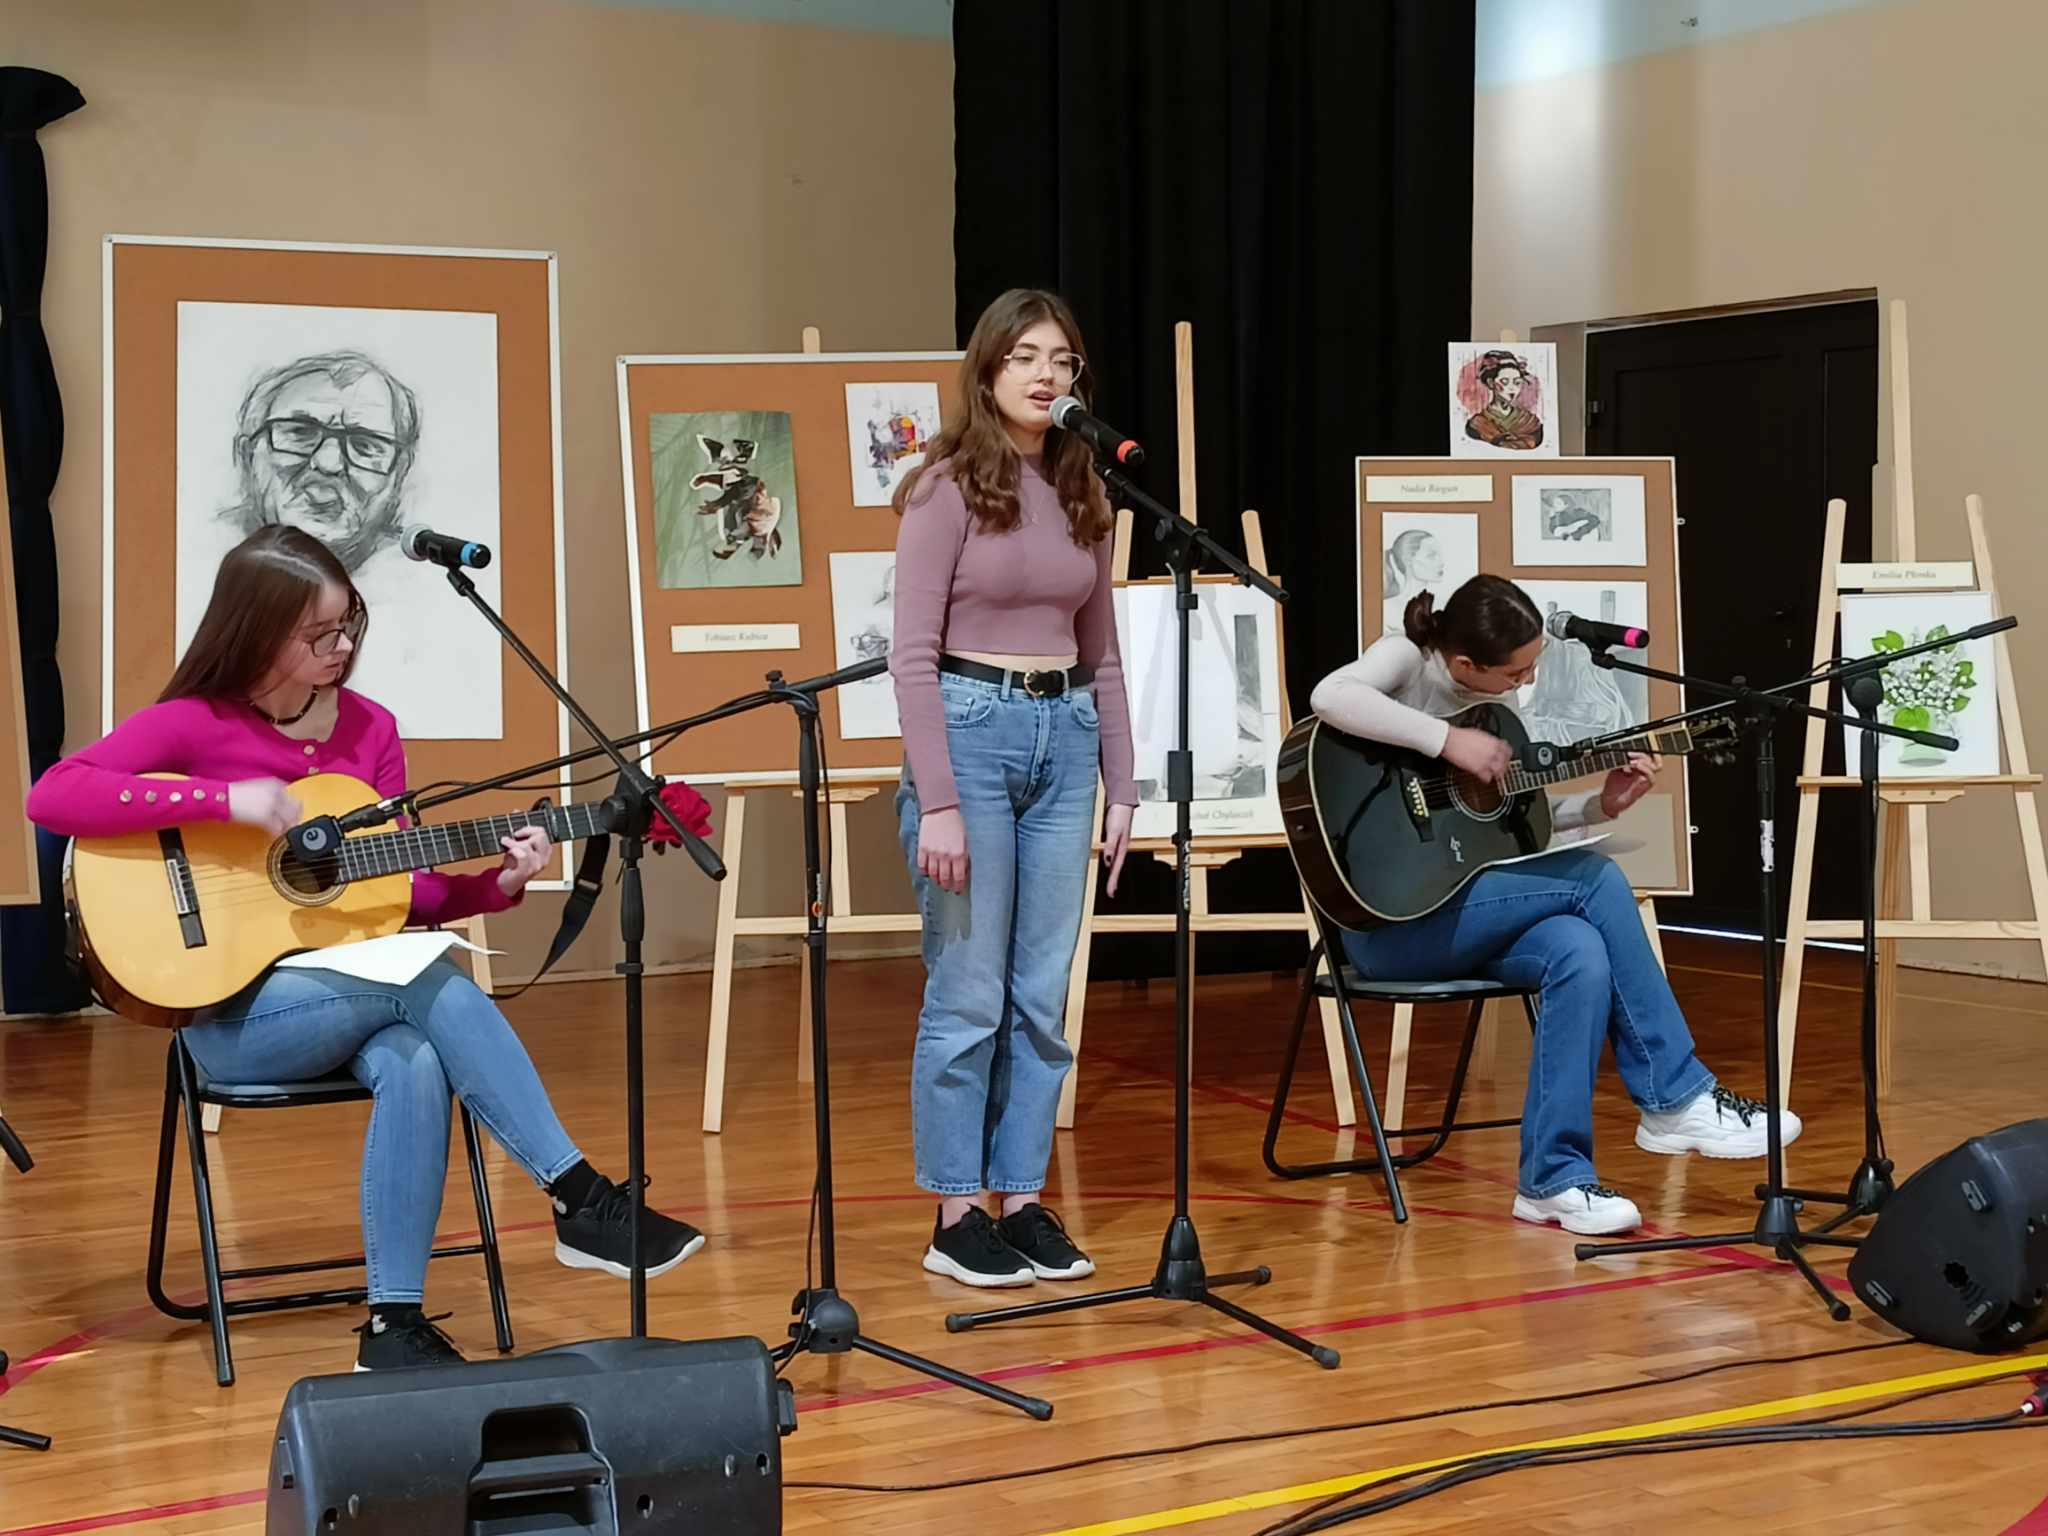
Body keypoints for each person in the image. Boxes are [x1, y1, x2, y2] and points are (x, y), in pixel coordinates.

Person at [27, 527, 705, 1369]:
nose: (342, 647)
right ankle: (578, 1197)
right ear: (257, 630)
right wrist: (224, 802)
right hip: (231, 1017)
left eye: (348, 624)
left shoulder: (371, 732)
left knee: (414, 1054)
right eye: (319, 633)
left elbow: (399, 891)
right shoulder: (194, 723)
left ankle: (393, 1326)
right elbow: (52, 796)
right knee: (428, 985)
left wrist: (498, 885)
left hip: (353, 1001)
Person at [1308, 575, 1800, 1236]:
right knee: (1593, 880)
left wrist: (1602, 804)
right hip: (1387, 929)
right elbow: (1329, 696)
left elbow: (1513, 828)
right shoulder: (1407, 661)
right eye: (1516, 672)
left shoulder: (1494, 713)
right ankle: (1675, 1095)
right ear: (1464, 664)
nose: (1528, 680)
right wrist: (1446, 742)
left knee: (1578, 947)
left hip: (1462, 912)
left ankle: (1553, 1181)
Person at [890, 288, 1137, 1287]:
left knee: (1040, 994)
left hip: (1064, 736)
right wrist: (940, 801)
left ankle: (1022, 1199)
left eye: (1062, 361)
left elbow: (1103, 654)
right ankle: (956, 1213)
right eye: (1025, 357)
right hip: (970, 730)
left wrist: (1123, 783)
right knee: (967, 993)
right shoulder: (943, 488)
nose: (1045, 376)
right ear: (987, 371)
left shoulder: (1084, 492)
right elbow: (911, 656)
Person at [222, 351, 418, 571]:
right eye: (300, 433)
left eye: (364, 446)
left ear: (399, 473)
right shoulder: (204, 548)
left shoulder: (416, 577)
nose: (328, 464)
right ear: (248, 454)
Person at [1462, 349, 1546, 451]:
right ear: (1490, 383)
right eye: (1505, 382)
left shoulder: (1530, 422)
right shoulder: (1478, 424)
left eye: (1517, 382)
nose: (1512, 388)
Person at [1382, 528, 1447, 636]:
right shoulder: (1387, 609)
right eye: (1431, 555)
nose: (1441, 562)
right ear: (1408, 560)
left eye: (1439, 555)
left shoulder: (1443, 605)